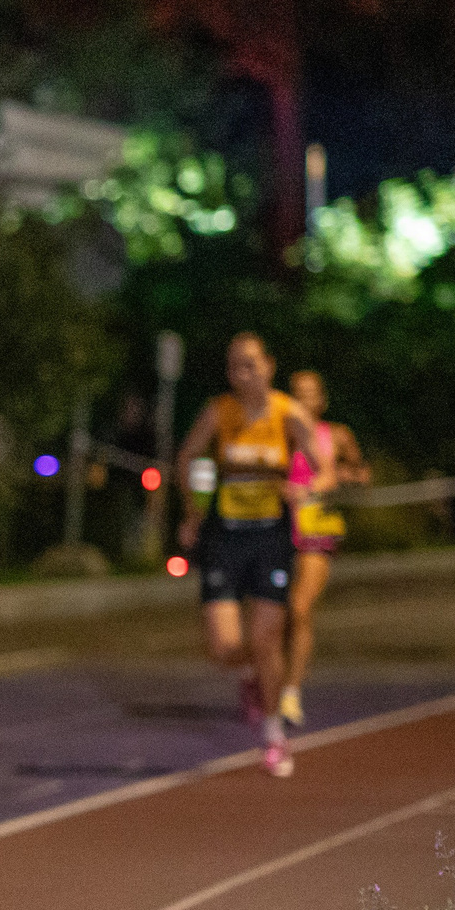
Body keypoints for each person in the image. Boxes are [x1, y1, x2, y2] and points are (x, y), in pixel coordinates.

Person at [174, 332, 329, 778]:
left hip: (270, 538)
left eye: (253, 363)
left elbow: (320, 470)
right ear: (229, 374)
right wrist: (192, 511)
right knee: (224, 648)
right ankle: (253, 675)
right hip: (225, 536)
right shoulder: (219, 413)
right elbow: (187, 458)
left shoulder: (288, 413)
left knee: (266, 636)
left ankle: (274, 733)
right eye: (236, 366)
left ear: (269, 366)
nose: (246, 372)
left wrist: (301, 489)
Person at [279, 369, 369, 728]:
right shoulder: (278, 433)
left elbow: (360, 472)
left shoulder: (337, 435)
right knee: (272, 613)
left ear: (322, 400)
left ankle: (290, 691)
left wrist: (345, 478)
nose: (304, 399)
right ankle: (266, 677)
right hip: (278, 527)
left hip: (317, 528)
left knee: (300, 607)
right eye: (297, 393)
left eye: (311, 393)